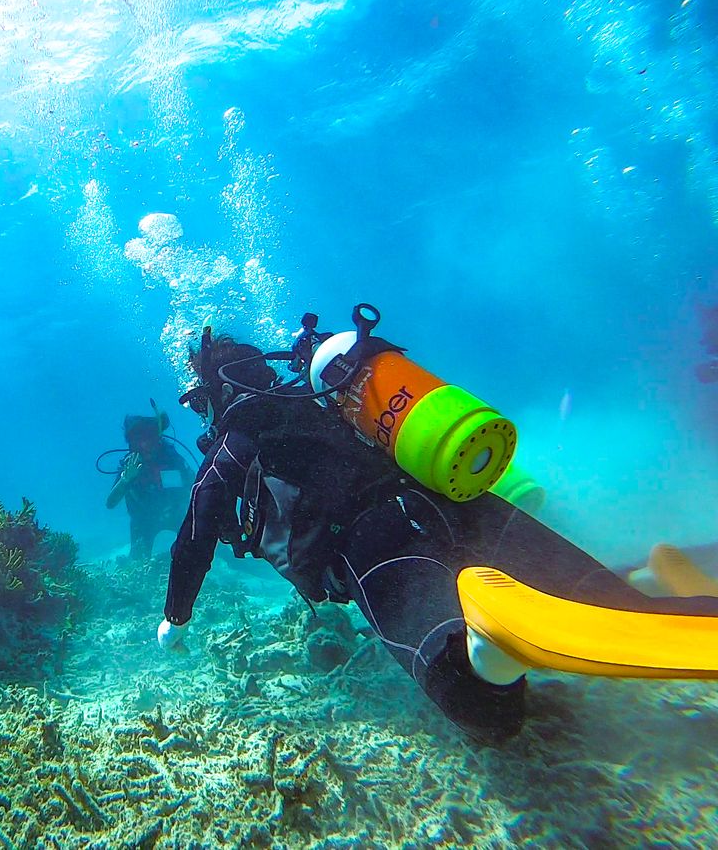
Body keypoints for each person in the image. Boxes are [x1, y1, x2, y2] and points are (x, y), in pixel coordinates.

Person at [156, 314, 718, 744]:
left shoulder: (238, 433)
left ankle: (492, 645)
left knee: (491, 716)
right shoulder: (337, 398)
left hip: (378, 547)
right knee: (614, 608)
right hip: (455, 499)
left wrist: (174, 619)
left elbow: (195, 535)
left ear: (214, 394)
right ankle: (646, 576)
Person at [106, 407, 194, 559]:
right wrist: (125, 479)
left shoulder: (172, 458)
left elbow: (195, 486)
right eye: (137, 441)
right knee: (137, 562)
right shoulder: (130, 466)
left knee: (204, 547)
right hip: (143, 519)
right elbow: (110, 503)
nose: (144, 446)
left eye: (149, 439)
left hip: (175, 513)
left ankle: (241, 564)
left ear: (158, 439)